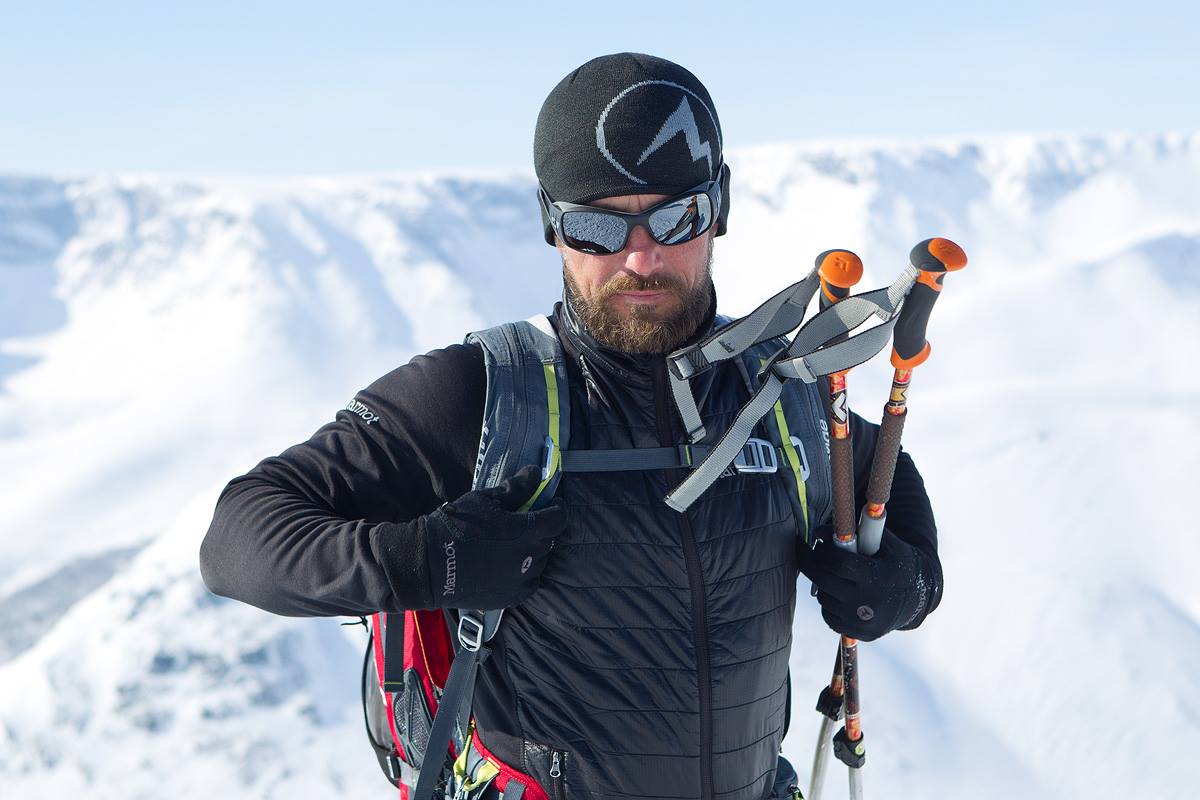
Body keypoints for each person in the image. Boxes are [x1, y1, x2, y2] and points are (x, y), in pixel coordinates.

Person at [200, 52, 942, 800]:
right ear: (551, 225)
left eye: (676, 217)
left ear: (719, 207)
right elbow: (239, 538)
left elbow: (885, 472)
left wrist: (908, 584)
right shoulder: (482, 396)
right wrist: (431, 561)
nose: (641, 257)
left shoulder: (780, 393)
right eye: (596, 227)